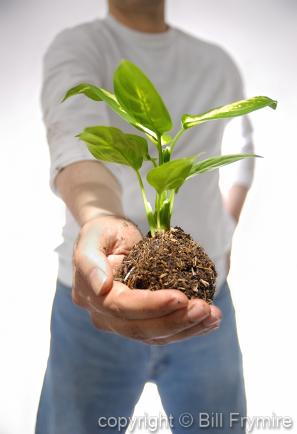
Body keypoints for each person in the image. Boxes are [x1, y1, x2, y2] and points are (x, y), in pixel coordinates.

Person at [36, 1, 255, 433]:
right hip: (99, 288)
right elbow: (74, 143)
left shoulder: (216, 62)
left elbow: (244, 160)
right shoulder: (81, 46)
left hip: (206, 300)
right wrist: (99, 215)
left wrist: (223, 239)